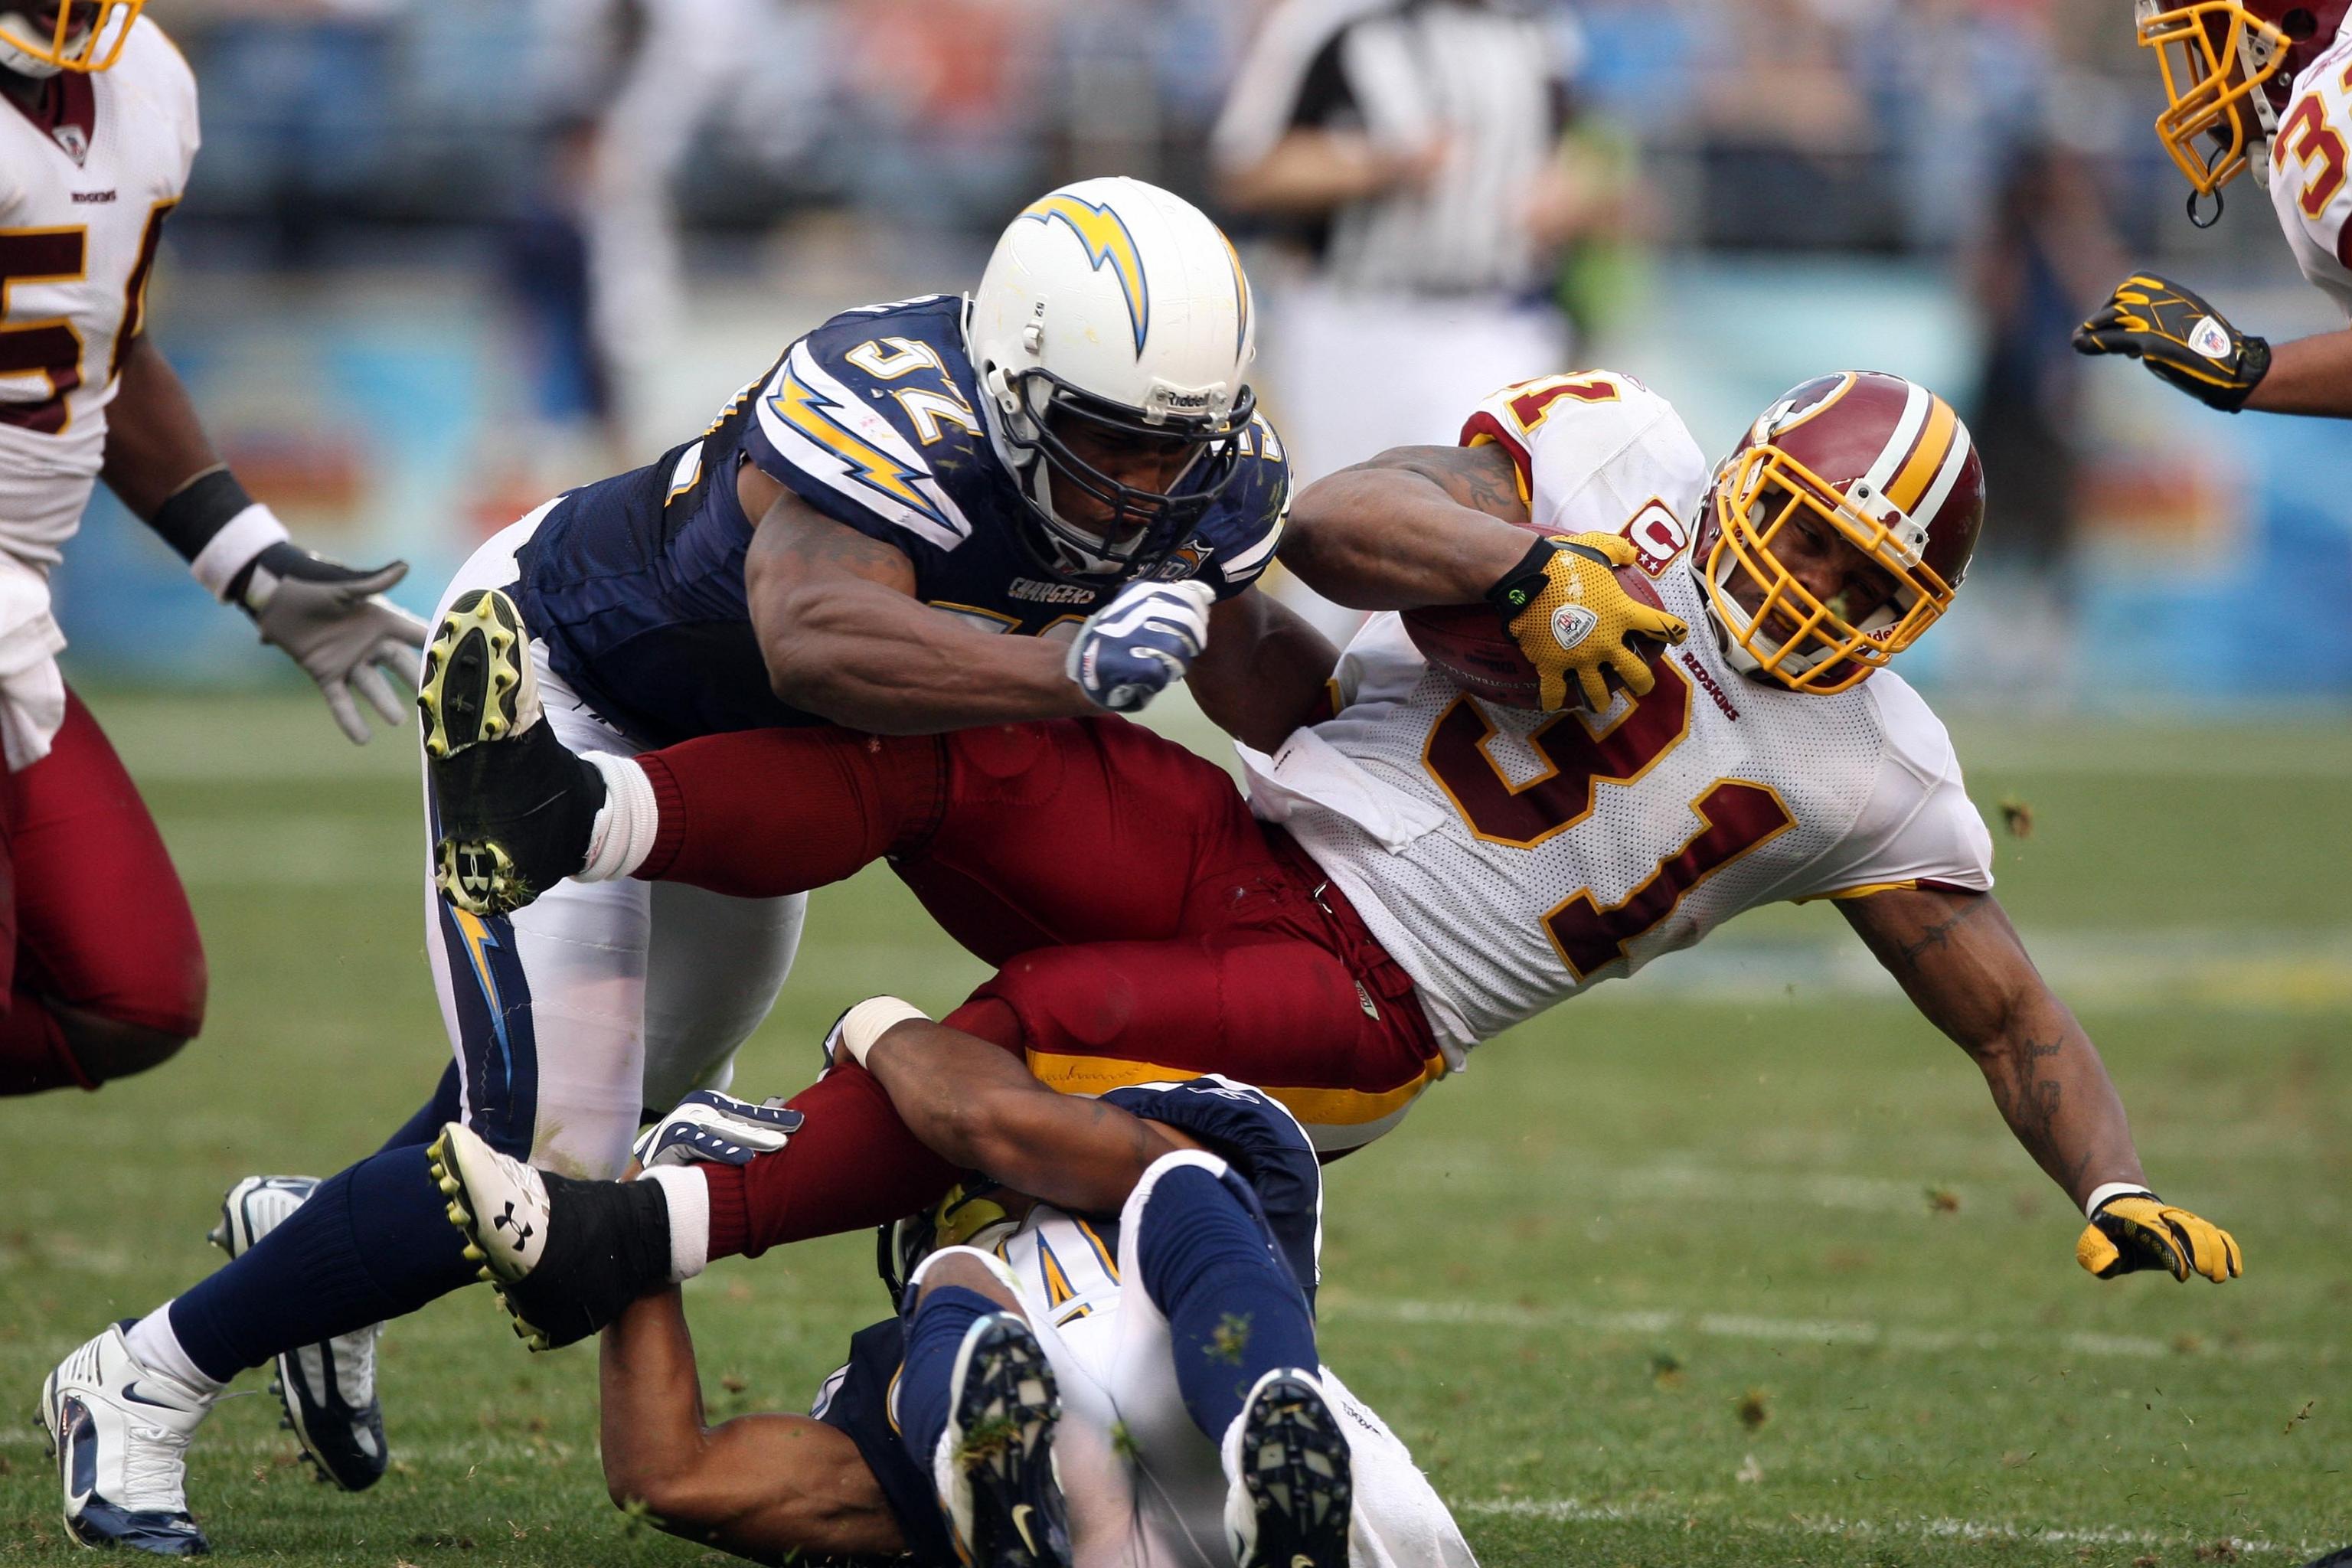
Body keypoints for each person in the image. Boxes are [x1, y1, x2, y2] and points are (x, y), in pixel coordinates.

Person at [35, 172, 1677, 1553]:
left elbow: (1264, 678)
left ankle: (322, 1244)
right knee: (555, 1136)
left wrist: (1473, 700)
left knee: (588, 1144)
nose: (1152, 483)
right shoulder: (888, 396)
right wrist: (1066, 668)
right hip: (567, 683)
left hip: (746, 781)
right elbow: (813, 636)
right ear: (1021, 381)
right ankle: (139, 1373)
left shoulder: (1202, 465)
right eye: (1113, 440)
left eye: (1179, 445)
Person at [388, 368, 2243, 1367]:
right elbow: (1333, 516)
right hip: (1247, 833)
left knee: (1005, 1036)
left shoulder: (1876, 765)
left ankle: (656, 1222)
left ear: (1905, 621)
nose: (1804, 588)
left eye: (1855, 585)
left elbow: (2009, 1019)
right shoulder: (1619, 461)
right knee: (957, 747)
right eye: (1799, 538)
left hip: (1363, 1002)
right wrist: (1514, 566)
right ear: (1744, 473)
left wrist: (2109, 1176)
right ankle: (584, 813)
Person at [4, 0, 427, 1527]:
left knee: (130, 992)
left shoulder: (146, 84)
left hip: (13, 600)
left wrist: (248, 562)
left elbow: (91, 344)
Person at [430, 1002, 1476, 1567]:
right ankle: (1012, 1484)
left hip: (1232, 1446)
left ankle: (1262, 1434)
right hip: (1105, 1498)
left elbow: (988, 1118)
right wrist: (633, 1224)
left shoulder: (1137, 1168)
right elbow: (675, 1479)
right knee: (963, 1290)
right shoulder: (924, 1322)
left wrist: (871, 1024)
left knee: (1169, 1192)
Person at [1210, 0, 1599, 638]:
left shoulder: (1539, 30)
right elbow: (1247, 166)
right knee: (1332, 543)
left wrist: (1570, 195)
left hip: (1496, 318)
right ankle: (1304, 729)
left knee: (1489, 543)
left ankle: (1442, 729)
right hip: (1359, 319)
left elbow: (1585, 159)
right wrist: (1377, 164)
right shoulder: (1331, 21)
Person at [2074, 1, 2352, 417]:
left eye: (2209, 51)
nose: (2206, 88)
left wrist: (2250, 370)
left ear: (2294, 24)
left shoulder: (2326, 115)